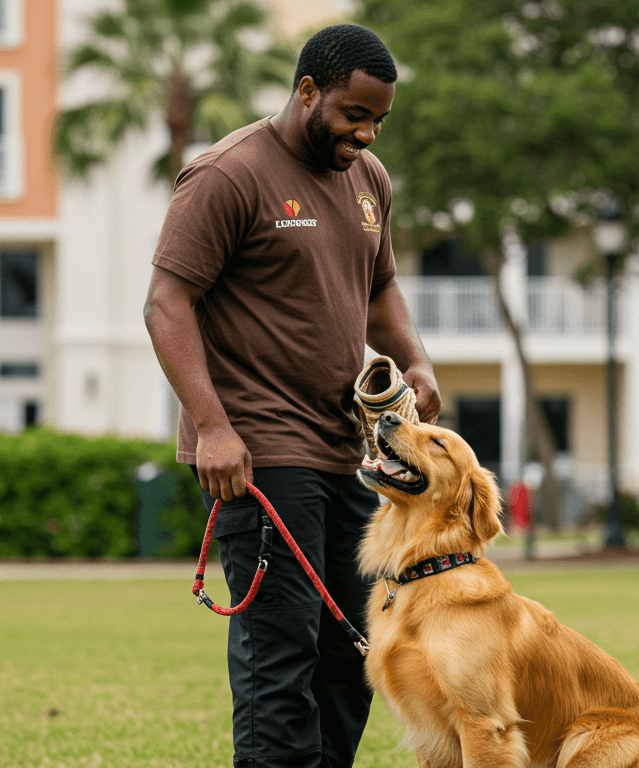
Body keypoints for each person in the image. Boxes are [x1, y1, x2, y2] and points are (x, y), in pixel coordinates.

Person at [142, 23, 439, 768]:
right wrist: (212, 427)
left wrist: (416, 361)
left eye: (379, 120)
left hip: (349, 453)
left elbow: (383, 287)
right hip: (260, 455)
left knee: (354, 654)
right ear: (307, 91)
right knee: (281, 656)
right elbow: (165, 303)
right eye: (354, 115)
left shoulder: (369, 181)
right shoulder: (228, 175)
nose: (367, 134)